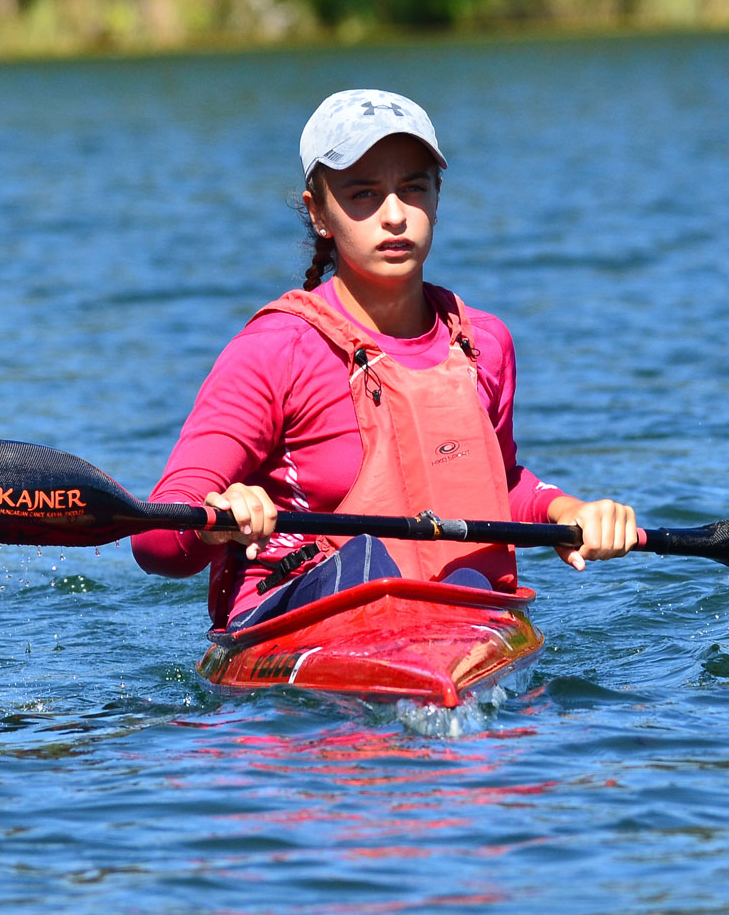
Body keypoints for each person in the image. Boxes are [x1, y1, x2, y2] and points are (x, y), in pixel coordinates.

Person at [132, 89, 637, 630]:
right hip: (298, 619)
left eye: (413, 189)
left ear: (437, 199)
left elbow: (494, 481)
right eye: (364, 194)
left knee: (468, 585)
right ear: (319, 212)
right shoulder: (275, 350)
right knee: (371, 564)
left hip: (455, 619)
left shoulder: (486, 343)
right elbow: (155, 539)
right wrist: (216, 520)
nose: (394, 216)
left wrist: (568, 512)